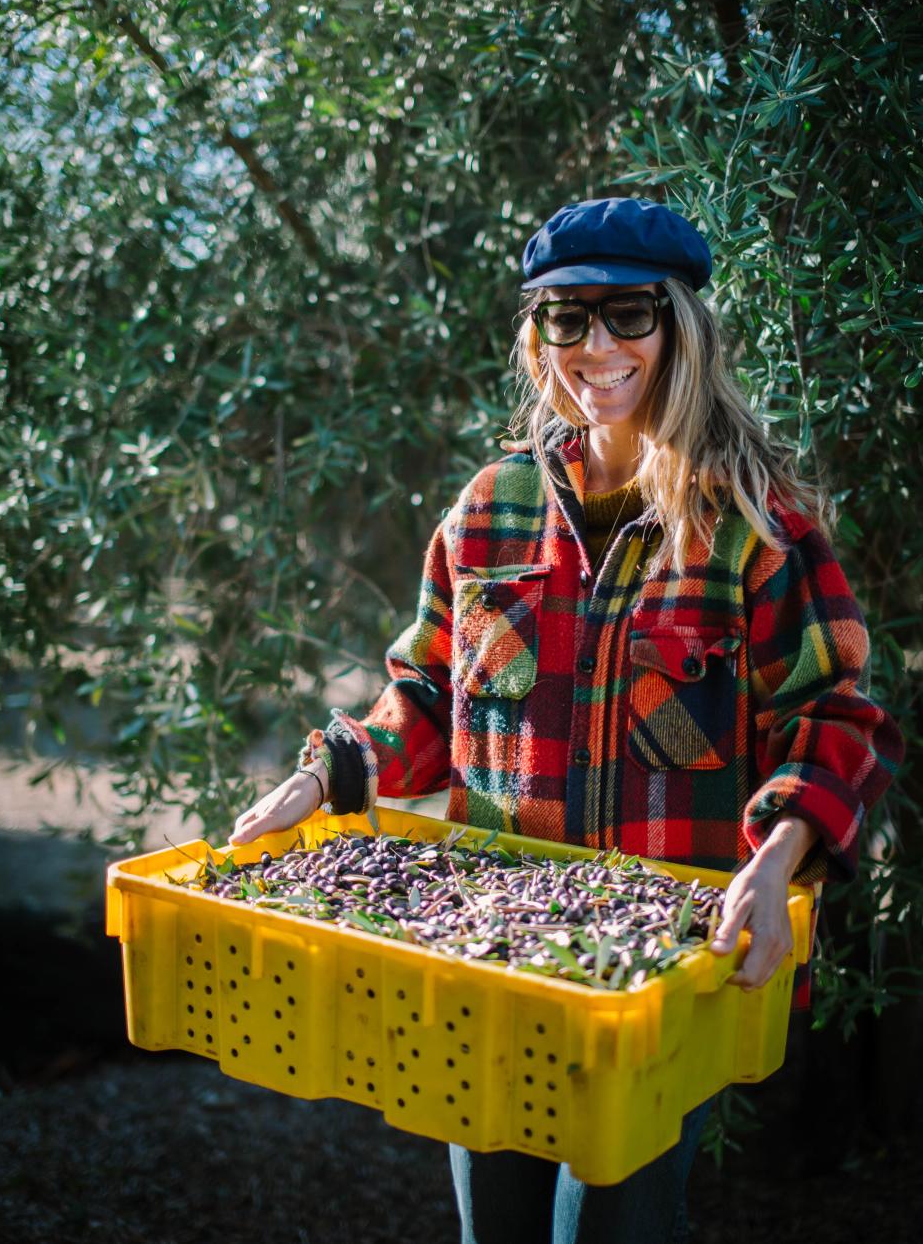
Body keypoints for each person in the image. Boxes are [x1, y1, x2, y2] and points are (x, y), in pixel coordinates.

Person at [230, 197, 903, 1243]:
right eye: (565, 317)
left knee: (612, 1226)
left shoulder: (757, 527)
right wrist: (321, 776)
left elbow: (836, 718)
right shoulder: (489, 509)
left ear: (681, 327)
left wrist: (779, 860)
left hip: (653, 978)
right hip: (489, 963)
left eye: (628, 314)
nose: (596, 346)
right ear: (535, 334)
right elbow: (424, 697)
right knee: (493, 1226)